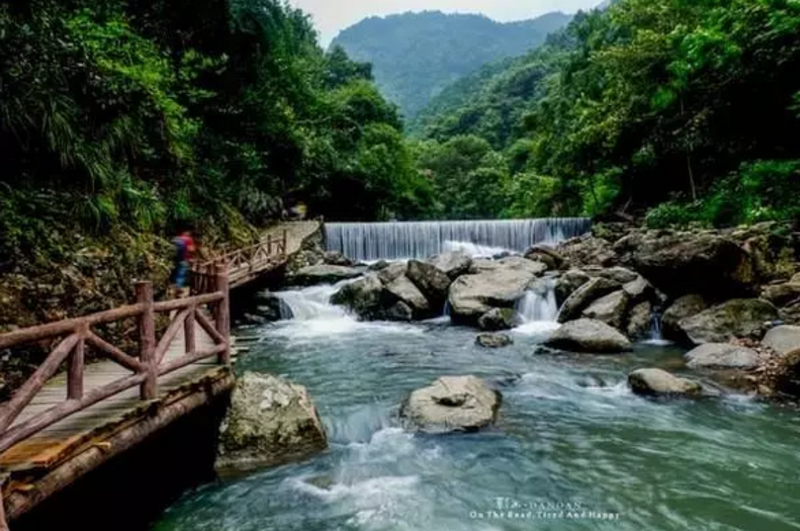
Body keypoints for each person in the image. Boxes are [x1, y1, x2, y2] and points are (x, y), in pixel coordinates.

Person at [170, 229, 195, 298]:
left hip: (175, 260)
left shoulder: (176, 239)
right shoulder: (188, 239)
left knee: (176, 273)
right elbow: (191, 249)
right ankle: (178, 289)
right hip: (184, 259)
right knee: (181, 275)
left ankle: (173, 288)